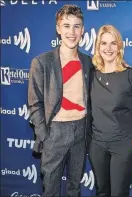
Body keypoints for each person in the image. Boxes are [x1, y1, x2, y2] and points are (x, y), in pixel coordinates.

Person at [28, 4, 92, 197]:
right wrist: (45, 135)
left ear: (82, 30)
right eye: (66, 26)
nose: (71, 32)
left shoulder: (88, 62)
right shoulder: (42, 62)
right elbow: (34, 103)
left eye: (76, 26)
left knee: (74, 188)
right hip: (54, 131)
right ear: (58, 29)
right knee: (51, 190)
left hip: (81, 130)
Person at [89, 25, 132, 197]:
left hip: (123, 146)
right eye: (103, 43)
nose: (108, 48)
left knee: (119, 194)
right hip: (97, 145)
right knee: (101, 192)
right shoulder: (91, 75)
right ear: (98, 47)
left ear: (119, 47)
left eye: (113, 43)